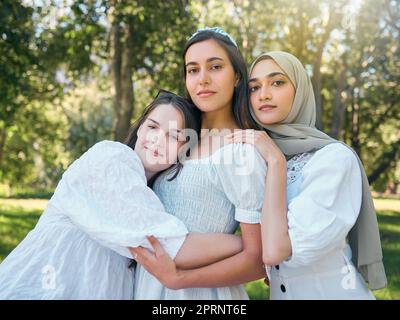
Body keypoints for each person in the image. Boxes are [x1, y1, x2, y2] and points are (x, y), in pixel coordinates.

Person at [0, 91, 244, 299]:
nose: (158, 140)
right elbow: (170, 247)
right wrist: (252, 246)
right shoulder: (112, 158)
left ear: (184, 150)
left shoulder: (150, 195)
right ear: (139, 130)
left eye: (174, 136)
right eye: (152, 127)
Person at [225, 51, 387, 299]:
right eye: (254, 88)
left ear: (299, 90)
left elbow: (276, 251)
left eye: (277, 82)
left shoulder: (333, 159)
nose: (264, 94)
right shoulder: (259, 159)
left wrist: (276, 160)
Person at [131, 27, 267, 300]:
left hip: (197, 294)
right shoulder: (177, 138)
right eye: (193, 70)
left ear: (237, 76)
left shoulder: (241, 152)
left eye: (215, 67)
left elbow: (258, 259)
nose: (202, 79)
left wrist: (179, 280)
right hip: (146, 287)